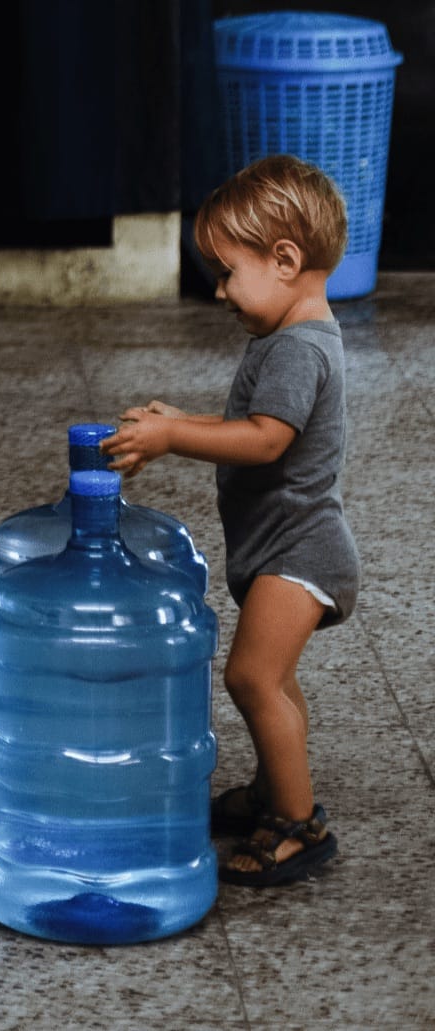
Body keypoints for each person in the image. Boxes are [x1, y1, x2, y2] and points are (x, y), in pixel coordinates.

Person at [100, 154, 360, 887]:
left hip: (300, 551)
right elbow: (253, 422)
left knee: (252, 677)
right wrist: (181, 419)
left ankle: (297, 826)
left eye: (225, 271)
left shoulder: (297, 349)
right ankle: (281, 788)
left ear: (284, 260)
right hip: (284, 544)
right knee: (276, 682)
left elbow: (264, 439)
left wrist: (173, 437)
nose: (219, 290)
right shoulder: (291, 340)